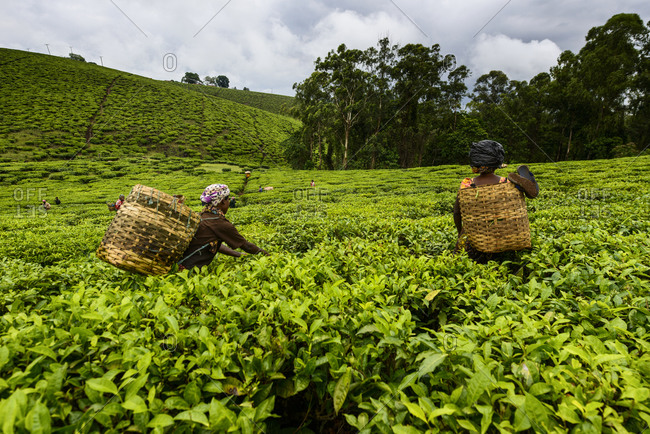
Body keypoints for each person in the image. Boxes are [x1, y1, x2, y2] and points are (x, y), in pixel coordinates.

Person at [453, 140, 539, 263]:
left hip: (478, 245)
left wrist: (459, 233)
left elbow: (457, 213)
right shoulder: (507, 182)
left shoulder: (466, 184)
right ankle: (527, 184)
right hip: (507, 238)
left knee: (461, 246)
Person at [178, 184, 268, 270]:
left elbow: (213, 243)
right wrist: (267, 255)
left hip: (178, 266)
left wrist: (238, 254)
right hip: (188, 271)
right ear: (223, 202)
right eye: (228, 199)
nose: (229, 202)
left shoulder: (201, 215)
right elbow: (247, 246)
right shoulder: (219, 223)